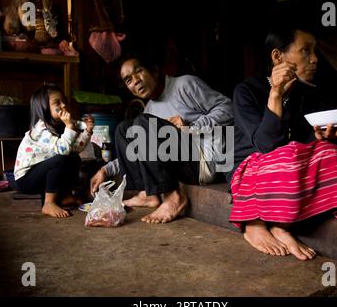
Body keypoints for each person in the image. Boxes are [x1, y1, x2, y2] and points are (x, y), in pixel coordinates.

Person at [227, 26, 337, 260]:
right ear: (278, 57)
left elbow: (304, 143)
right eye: (305, 51)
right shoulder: (246, 91)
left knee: (331, 152)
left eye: (315, 51)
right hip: (249, 169)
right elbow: (265, 146)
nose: (315, 59)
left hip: (288, 167)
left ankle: (281, 226)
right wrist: (275, 94)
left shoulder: (306, 93)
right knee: (288, 155)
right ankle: (253, 225)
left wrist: (323, 137)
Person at [90, 53, 234, 224]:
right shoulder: (149, 110)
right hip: (181, 165)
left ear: (155, 71)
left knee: (142, 123)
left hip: (206, 160)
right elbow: (138, 150)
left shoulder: (184, 84)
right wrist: (105, 170)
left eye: (139, 71)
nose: (135, 81)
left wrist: (191, 125)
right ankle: (147, 194)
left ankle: (174, 196)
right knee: (123, 129)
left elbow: (229, 108)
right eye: (128, 80)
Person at [14, 84, 95, 218]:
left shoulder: (60, 126)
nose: (63, 105)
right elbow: (63, 150)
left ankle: (64, 196)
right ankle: (48, 203)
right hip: (26, 179)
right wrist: (70, 126)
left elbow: (75, 148)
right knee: (61, 158)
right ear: (44, 108)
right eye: (57, 103)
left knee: (73, 157)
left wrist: (87, 131)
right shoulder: (41, 129)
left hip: (43, 174)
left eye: (64, 101)